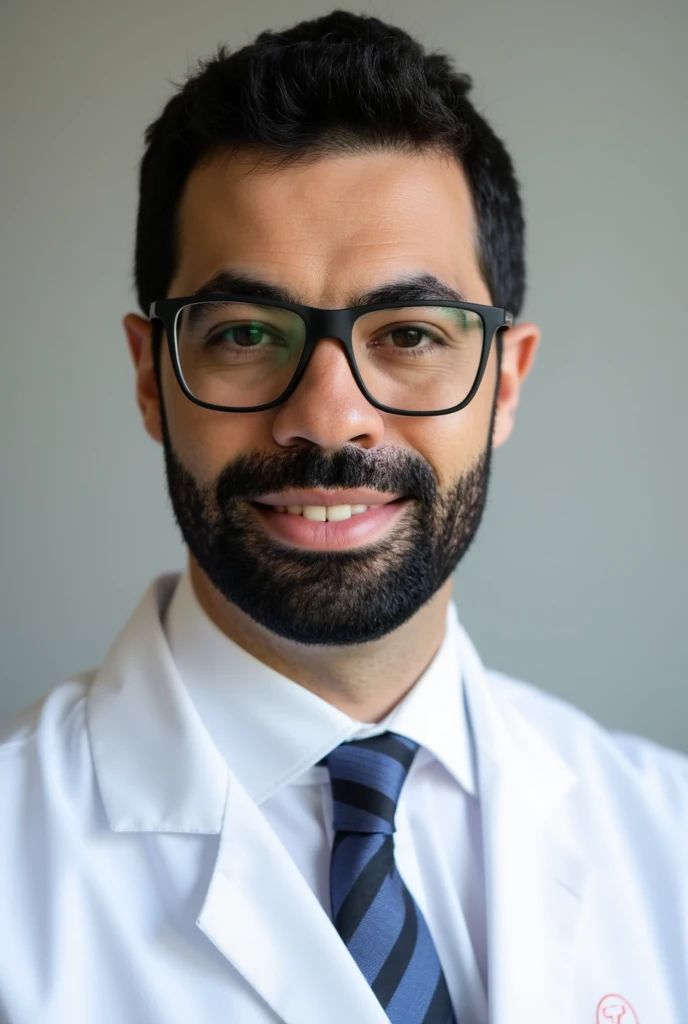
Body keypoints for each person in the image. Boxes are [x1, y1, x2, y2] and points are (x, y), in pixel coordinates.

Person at [1, 10, 686, 1023]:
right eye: (243, 332)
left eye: (409, 332)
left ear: (504, 382)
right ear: (152, 378)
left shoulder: (669, 834)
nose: (327, 415)